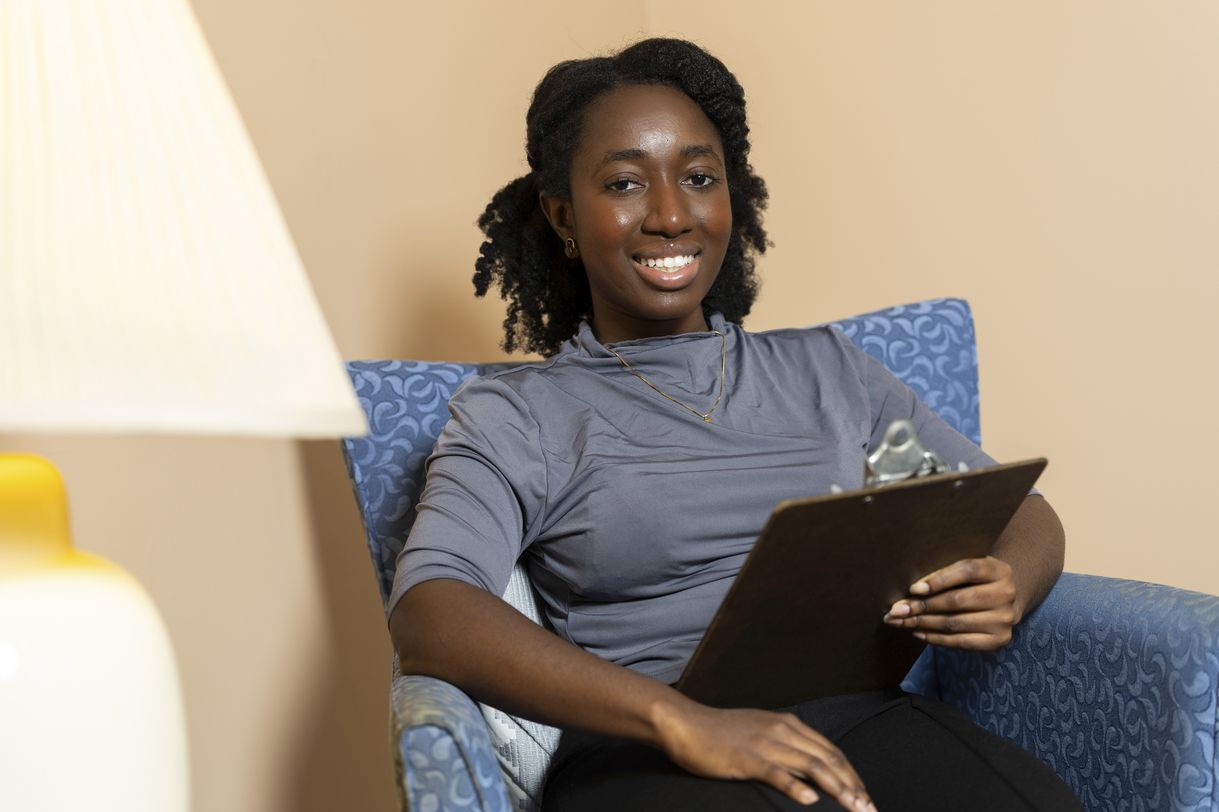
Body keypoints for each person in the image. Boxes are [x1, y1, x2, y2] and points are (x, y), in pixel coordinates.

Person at [390, 38, 1082, 811]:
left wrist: (1010, 581)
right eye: (623, 182)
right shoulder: (519, 414)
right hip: (645, 746)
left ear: (731, 195)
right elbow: (431, 609)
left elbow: (1020, 510)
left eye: (697, 178)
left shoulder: (827, 372)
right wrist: (675, 718)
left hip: (856, 715)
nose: (669, 214)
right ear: (561, 215)